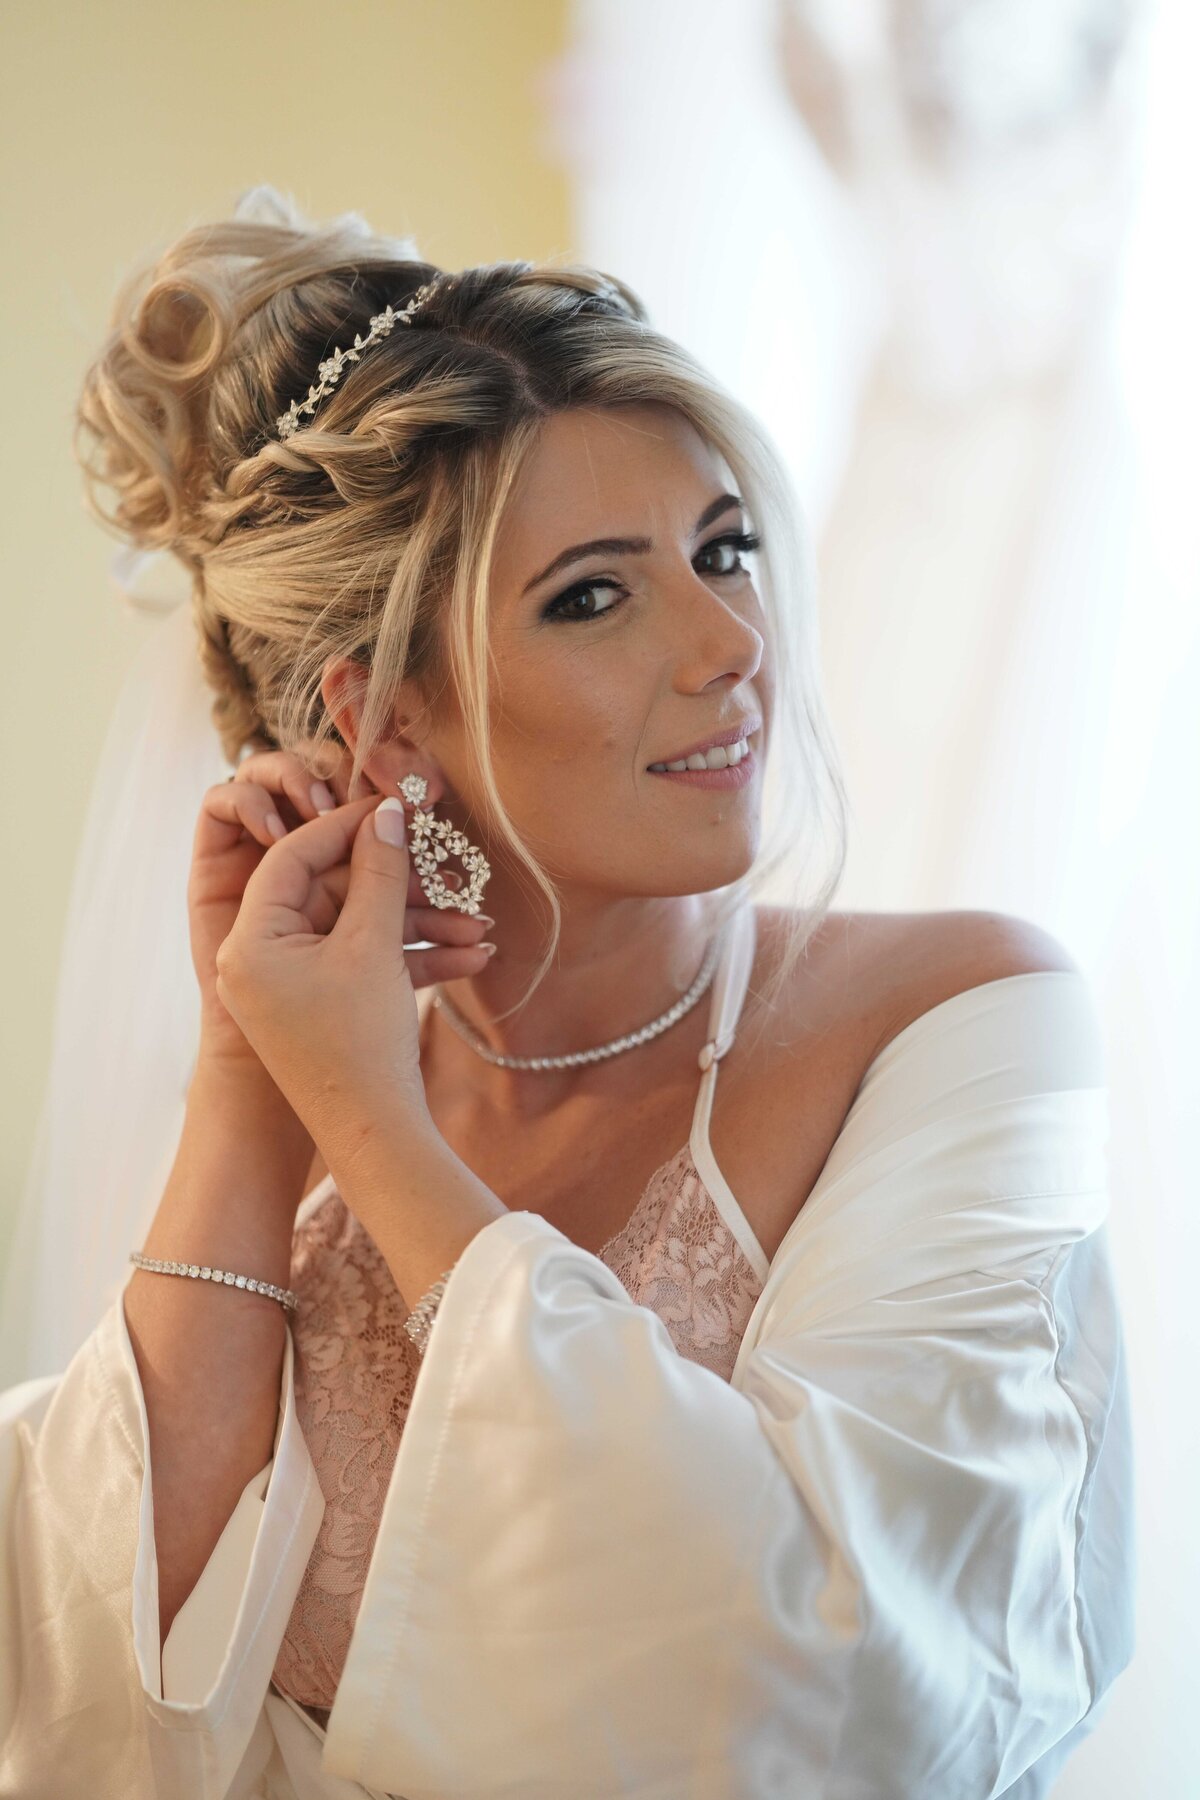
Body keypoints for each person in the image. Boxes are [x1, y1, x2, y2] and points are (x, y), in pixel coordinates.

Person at [0, 185, 1134, 1799]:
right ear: (385, 723)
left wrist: (382, 1134)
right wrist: (253, 1087)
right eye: (596, 595)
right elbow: (87, 1708)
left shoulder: (963, 1022)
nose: (729, 641)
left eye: (724, 548)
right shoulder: (295, 1125)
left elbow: (844, 1686)